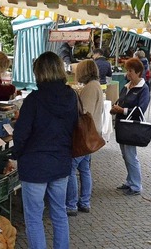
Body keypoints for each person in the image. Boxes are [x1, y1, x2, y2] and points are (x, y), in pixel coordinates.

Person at [11, 51, 78, 249]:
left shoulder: (34, 99)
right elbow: (74, 126)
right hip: (61, 162)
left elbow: (21, 134)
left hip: (35, 165)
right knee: (59, 214)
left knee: (34, 218)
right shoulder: (71, 96)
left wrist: (15, 155)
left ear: (39, 72)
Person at [66, 59, 104, 216]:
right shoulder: (96, 85)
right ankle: (84, 201)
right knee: (84, 169)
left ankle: (72, 204)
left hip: (85, 134)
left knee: (71, 169)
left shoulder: (89, 88)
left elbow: (85, 113)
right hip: (92, 133)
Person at [110, 58, 151, 196]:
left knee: (131, 156)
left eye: (131, 71)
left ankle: (136, 185)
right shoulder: (127, 86)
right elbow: (120, 101)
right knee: (125, 155)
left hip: (131, 127)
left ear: (139, 72)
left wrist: (122, 110)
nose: (128, 74)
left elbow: (141, 110)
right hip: (122, 126)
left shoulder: (143, 89)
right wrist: (115, 108)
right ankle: (130, 181)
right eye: (127, 70)